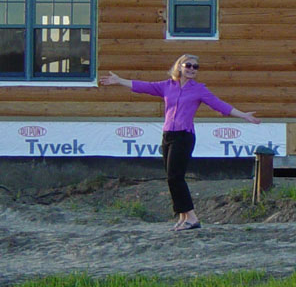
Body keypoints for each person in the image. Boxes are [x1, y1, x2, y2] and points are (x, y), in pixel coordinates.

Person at [100, 54, 261, 231]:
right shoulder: (167, 85)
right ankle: (183, 217)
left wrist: (243, 115)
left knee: (175, 177)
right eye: (188, 65)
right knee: (172, 178)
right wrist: (119, 80)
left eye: (195, 67)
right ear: (180, 67)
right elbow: (143, 86)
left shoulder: (199, 89)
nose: (192, 69)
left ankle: (192, 217)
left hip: (184, 136)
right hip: (168, 135)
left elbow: (219, 105)